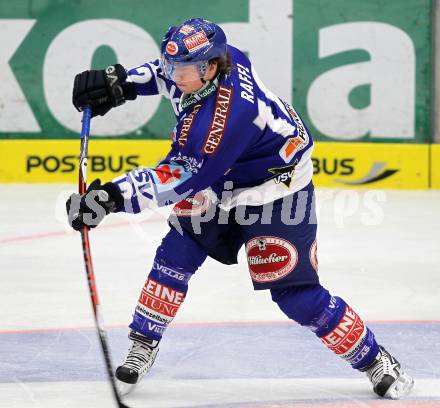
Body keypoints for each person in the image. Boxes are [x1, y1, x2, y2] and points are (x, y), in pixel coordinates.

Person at [67, 18, 414, 399]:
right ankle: (143, 344)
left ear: (212, 67)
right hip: (224, 175)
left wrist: (110, 198)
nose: (174, 76)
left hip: (275, 190)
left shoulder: (226, 120)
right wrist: (122, 84)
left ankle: (374, 358)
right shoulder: (219, 59)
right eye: (174, 67)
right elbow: (167, 72)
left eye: (184, 70)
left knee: (295, 294)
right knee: (176, 254)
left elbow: (176, 178)